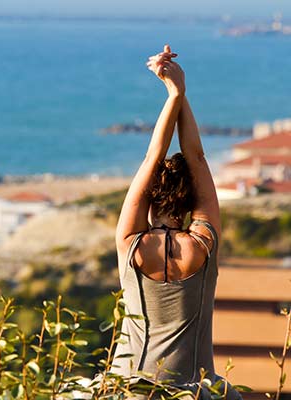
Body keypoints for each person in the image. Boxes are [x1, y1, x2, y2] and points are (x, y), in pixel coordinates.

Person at [111, 45, 241, 399]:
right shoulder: (203, 244)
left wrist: (172, 94)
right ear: (189, 203)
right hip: (194, 392)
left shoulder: (130, 242)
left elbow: (153, 157)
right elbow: (196, 156)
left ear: (150, 198)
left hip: (127, 388)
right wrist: (180, 91)